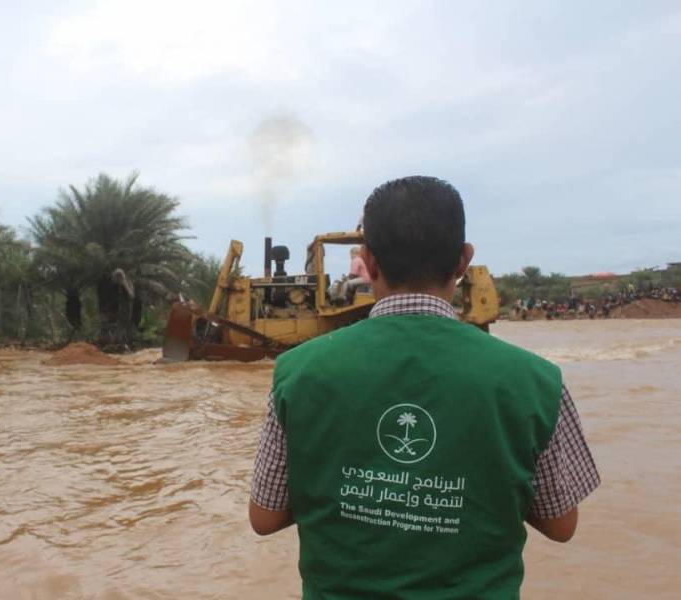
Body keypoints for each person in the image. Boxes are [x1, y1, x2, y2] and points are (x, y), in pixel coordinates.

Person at [249, 176, 599, 599]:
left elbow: (265, 518)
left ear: (368, 261)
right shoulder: (536, 381)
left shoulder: (296, 372)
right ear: (463, 261)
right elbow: (562, 524)